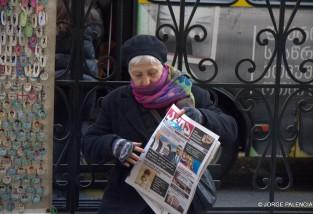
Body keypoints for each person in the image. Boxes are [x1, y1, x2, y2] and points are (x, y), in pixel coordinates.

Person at [82, 35, 238, 213]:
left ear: (164, 68)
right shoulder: (116, 101)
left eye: (152, 73)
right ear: (129, 73)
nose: (146, 81)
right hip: (130, 200)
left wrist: (201, 117)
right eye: (138, 75)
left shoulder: (191, 94)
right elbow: (89, 143)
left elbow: (230, 129)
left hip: (180, 199)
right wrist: (114, 145)